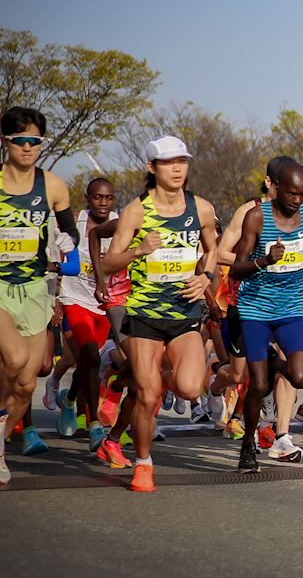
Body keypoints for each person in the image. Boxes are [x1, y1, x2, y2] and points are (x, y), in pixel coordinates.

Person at [103, 135, 220, 491]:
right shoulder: (136, 211)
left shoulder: (200, 207)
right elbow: (109, 263)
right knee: (149, 394)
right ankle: (142, 463)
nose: (178, 168)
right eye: (169, 163)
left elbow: (213, 248)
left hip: (184, 312)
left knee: (188, 387)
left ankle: (141, 377)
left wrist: (206, 277)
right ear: (151, 168)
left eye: (182, 161)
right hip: (144, 316)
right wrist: (139, 249)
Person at [228, 158, 303, 469]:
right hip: (256, 308)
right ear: (275, 187)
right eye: (292, 194)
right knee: (258, 386)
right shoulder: (257, 218)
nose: (298, 200)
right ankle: (248, 446)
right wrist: (265, 261)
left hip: (291, 308)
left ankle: (270, 361)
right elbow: (236, 269)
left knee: (300, 376)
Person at [0, 108, 78, 485]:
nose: (28, 147)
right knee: (13, 359)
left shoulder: (54, 186)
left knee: (27, 383)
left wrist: (68, 244)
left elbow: (69, 233)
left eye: (34, 141)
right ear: (5, 142)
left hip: (35, 289)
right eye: (20, 141)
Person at [53, 178, 118, 451]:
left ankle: (69, 401)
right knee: (90, 354)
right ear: (87, 199)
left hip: (103, 304)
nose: (103, 203)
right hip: (74, 299)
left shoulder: (119, 224)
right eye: (97, 197)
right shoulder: (73, 226)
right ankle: (94, 425)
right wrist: (56, 299)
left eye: (108, 198)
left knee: (89, 362)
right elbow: (55, 259)